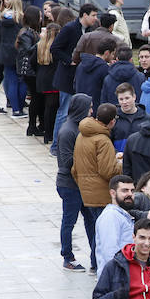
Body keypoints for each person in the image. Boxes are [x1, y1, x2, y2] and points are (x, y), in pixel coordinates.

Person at [50, 3, 99, 155]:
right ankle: (56, 147)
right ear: (84, 15)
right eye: (93, 15)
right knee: (64, 112)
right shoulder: (70, 28)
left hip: (80, 77)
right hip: (67, 77)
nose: (95, 18)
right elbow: (55, 48)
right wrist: (68, 60)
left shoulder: (91, 30)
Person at [56, 93, 97, 273]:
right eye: (89, 107)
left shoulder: (82, 128)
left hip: (84, 184)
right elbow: (66, 162)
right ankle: (67, 257)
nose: (92, 111)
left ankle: (95, 256)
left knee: (91, 221)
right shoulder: (68, 131)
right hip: (70, 185)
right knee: (69, 221)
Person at [72, 102, 123, 222]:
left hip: (86, 193)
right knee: (103, 235)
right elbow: (108, 171)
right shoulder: (103, 140)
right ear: (112, 122)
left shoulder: (81, 135)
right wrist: (121, 164)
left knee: (95, 231)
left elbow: (75, 168)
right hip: (101, 196)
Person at [94, 174, 136, 280]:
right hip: (116, 280)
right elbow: (110, 254)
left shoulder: (122, 215)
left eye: (132, 191)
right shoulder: (111, 216)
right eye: (125, 190)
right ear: (113, 193)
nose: (130, 194)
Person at [0, 0, 26, 117]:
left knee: (10, 80)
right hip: (19, 52)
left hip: (5, 53)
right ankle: (20, 107)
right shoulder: (22, 19)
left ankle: (15, 109)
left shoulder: (2, 18)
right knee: (22, 81)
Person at [16, 6, 44, 136]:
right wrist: (43, 41)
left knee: (37, 98)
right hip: (29, 70)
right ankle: (32, 125)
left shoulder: (31, 31)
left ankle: (34, 125)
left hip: (32, 69)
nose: (41, 18)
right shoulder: (26, 33)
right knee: (36, 98)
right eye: (39, 16)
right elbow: (29, 49)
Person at [74, 36, 117, 107]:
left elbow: (75, 84)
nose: (113, 57)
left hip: (80, 105)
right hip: (95, 106)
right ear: (107, 53)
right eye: (112, 54)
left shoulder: (81, 64)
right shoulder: (104, 68)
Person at [37, 22, 62, 145]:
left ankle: (46, 133)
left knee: (47, 107)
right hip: (54, 79)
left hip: (43, 78)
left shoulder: (41, 45)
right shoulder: (56, 47)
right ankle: (51, 133)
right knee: (54, 108)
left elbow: (32, 61)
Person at [111, 83, 149, 151]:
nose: (124, 102)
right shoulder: (113, 119)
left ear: (134, 97)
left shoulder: (147, 118)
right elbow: (108, 142)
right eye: (121, 99)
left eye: (127, 98)